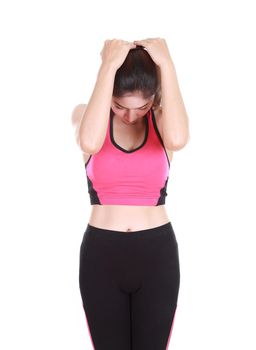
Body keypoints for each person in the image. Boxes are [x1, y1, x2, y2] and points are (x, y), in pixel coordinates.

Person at [71, 38, 190, 350]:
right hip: (101, 256)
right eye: (119, 105)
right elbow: (90, 143)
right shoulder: (85, 116)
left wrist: (167, 63)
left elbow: (178, 140)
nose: (130, 116)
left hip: (156, 255)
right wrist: (107, 65)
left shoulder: (164, 123)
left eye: (142, 107)